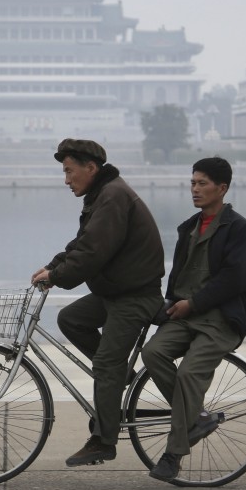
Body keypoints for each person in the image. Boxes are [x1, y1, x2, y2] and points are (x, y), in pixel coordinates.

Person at [31, 138, 165, 467]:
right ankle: (119, 373)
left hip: (134, 297)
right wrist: (53, 266)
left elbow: (93, 253)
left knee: (105, 365)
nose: (66, 180)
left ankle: (104, 440)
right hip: (115, 292)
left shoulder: (113, 196)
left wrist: (58, 277)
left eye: (69, 171)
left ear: (91, 168)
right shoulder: (102, 195)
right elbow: (82, 243)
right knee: (71, 319)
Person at [140, 157, 246, 482]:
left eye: (202, 183)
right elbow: (177, 276)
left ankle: (173, 455)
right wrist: (167, 305)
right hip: (185, 315)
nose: (195, 189)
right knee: (152, 353)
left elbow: (235, 279)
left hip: (220, 320)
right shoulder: (189, 228)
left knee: (189, 373)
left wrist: (192, 304)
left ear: (222, 188)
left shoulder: (239, 229)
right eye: (193, 183)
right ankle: (197, 417)